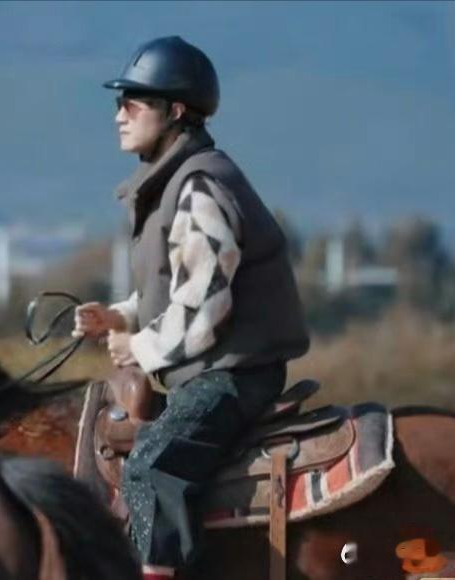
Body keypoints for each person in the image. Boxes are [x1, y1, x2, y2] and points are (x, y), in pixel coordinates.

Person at [74, 36, 310, 579]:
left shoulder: (201, 185)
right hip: (215, 370)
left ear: (175, 111)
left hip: (233, 377)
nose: (119, 114)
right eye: (119, 101)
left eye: (133, 101)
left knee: (151, 466)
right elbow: (178, 283)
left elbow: (205, 306)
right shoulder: (179, 181)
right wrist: (124, 316)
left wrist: (137, 346)